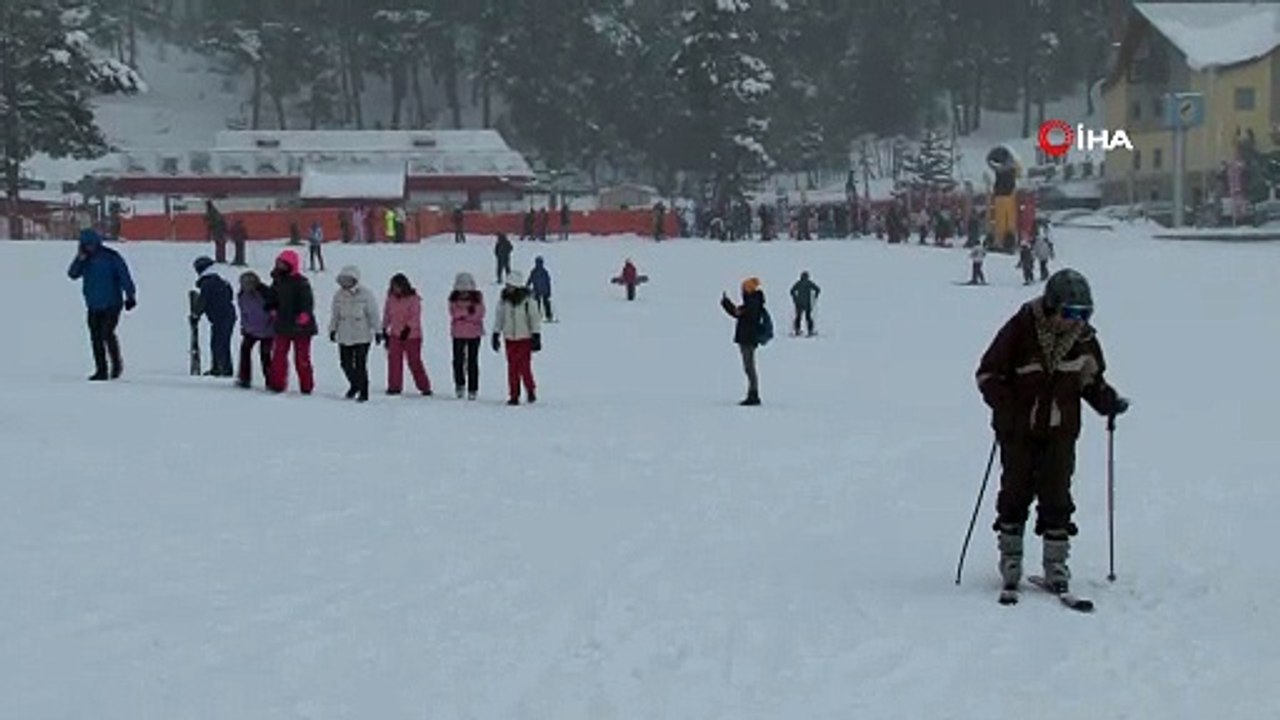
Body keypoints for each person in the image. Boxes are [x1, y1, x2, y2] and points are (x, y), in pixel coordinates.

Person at [975, 268, 1129, 595]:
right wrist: (1006, 406)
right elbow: (988, 374)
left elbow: (1090, 381)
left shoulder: (1084, 340)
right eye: (1071, 313)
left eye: (1084, 314)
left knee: (1057, 493)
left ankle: (1056, 562)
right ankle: (1011, 557)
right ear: (1051, 306)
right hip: (1018, 431)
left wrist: (1107, 402)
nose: (1076, 321)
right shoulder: (1020, 330)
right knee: (1015, 490)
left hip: (1061, 431)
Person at [67, 228, 136, 381]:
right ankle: (101, 370)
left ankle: (116, 365)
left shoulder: (111, 257)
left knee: (107, 332)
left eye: (91, 245)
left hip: (112, 303)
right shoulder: (84, 259)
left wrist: (130, 296)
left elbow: (124, 276)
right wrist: (79, 260)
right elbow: (72, 274)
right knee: (95, 337)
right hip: (93, 304)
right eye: (86, 245)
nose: (89, 248)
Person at [265, 250, 317, 395]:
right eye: (278, 263)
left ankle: (306, 386)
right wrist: (271, 308)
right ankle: (277, 384)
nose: (280, 266)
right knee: (278, 356)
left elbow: (307, 301)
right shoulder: (277, 281)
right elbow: (271, 297)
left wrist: (304, 314)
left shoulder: (301, 282)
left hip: (301, 328)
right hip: (282, 325)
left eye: (282, 263)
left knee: (302, 358)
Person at [328, 265, 380, 402]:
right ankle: (355, 384)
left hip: (362, 336)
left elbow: (373, 314)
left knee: (360, 365)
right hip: (344, 334)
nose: (345, 283)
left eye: (348, 280)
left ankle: (364, 391)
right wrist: (332, 329)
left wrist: (378, 331)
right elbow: (335, 315)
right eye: (343, 280)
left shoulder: (365, 294)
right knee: (345, 364)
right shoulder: (338, 295)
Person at [492, 271, 541, 406]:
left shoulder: (528, 301)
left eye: (511, 285)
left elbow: (534, 319)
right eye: (507, 285)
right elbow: (499, 318)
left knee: (524, 367)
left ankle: (530, 389)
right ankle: (514, 395)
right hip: (509, 339)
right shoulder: (503, 301)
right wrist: (496, 334)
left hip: (524, 338)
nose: (508, 288)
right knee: (512, 368)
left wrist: (536, 335)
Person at [720, 277, 772, 406]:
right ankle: (752, 393)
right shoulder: (752, 302)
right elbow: (739, 313)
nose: (742, 291)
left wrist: (728, 305)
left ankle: (753, 395)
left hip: (748, 339)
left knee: (750, 368)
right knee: (749, 368)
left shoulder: (752, 303)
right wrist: (727, 304)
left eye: (743, 289)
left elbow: (742, 315)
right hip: (747, 338)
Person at [381, 273, 433, 396]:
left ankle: (424, 386)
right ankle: (394, 386)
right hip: (395, 334)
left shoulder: (413, 299)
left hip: (412, 336)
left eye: (398, 287)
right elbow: (387, 314)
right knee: (394, 360)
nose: (396, 289)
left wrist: (408, 329)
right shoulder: (391, 299)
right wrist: (383, 328)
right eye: (393, 287)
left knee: (414, 361)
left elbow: (415, 316)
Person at [192, 256, 237, 377]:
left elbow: (203, 301)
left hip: (221, 317)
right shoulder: (219, 280)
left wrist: (196, 314)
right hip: (226, 315)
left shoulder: (208, 283)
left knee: (220, 343)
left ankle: (222, 369)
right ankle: (220, 368)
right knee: (220, 342)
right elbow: (230, 295)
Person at [448, 272, 485, 400]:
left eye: (466, 291)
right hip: (458, 334)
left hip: (474, 334)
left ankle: (473, 388)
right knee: (458, 361)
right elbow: (453, 313)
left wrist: (463, 315)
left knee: (472, 361)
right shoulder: (453, 299)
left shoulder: (478, 299)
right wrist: (466, 313)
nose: (464, 293)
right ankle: (459, 384)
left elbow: (479, 315)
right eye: (461, 291)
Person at [235, 271, 274, 389]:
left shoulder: (265, 293)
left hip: (268, 330)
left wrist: (271, 326)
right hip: (251, 329)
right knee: (245, 351)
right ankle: (244, 378)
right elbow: (243, 313)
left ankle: (270, 380)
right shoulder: (242, 295)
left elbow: (273, 311)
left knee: (265, 354)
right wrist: (244, 326)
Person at [789, 271, 820, 336]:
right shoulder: (809, 283)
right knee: (808, 317)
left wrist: (795, 298)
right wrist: (816, 296)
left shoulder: (798, 283)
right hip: (807, 304)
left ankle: (797, 330)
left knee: (798, 317)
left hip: (799, 304)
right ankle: (810, 331)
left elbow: (791, 291)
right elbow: (817, 289)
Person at [527, 256, 553, 322]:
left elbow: (530, 279)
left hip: (539, 290)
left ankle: (544, 315)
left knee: (541, 303)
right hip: (540, 290)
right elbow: (548, 282)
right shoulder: (543, 271)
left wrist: (527, 285)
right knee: (542, 303)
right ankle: (547, 316)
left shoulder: (536, 271)